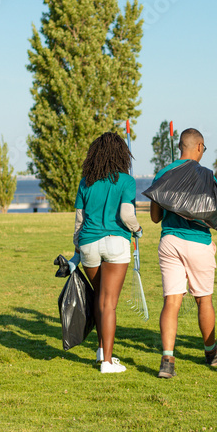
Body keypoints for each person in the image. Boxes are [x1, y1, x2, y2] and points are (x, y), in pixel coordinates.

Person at [150, 128, 217, 379]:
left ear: (180, 147)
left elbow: (155, 217)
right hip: (198, 243)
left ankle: (167, 359)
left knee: (172, 301)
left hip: (170, 240)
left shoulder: (164, 173)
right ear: (199, 147)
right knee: (203, 299)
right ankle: (211, 352)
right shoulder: (206, 175)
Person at [70, 131, 142, 374]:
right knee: (109, 304)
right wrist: (138, 229)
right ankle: (107, 363)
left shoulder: (85, 181)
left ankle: (102, 350)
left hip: (88, 245)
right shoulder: (126, 181)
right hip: (115, 243)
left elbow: (79, 223)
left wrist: (76, 253)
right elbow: (125, 214)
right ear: (122, 154)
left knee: (100, 299)